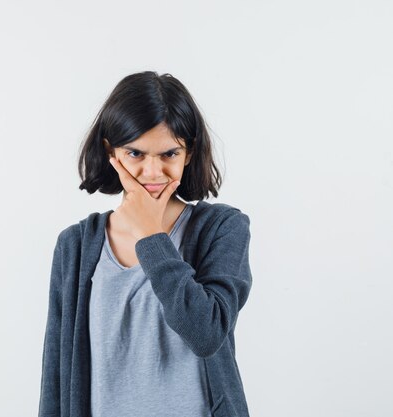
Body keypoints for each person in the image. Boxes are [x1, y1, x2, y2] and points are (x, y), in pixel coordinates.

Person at [38, 71, 253, 417]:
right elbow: (55, 377)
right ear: (111, 151)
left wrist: (153, 238)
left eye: (169, 154)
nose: (152, 172)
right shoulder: (75, 246)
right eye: (135, 153)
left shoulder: (222, 228)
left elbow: (206, 334)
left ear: (189, 152)